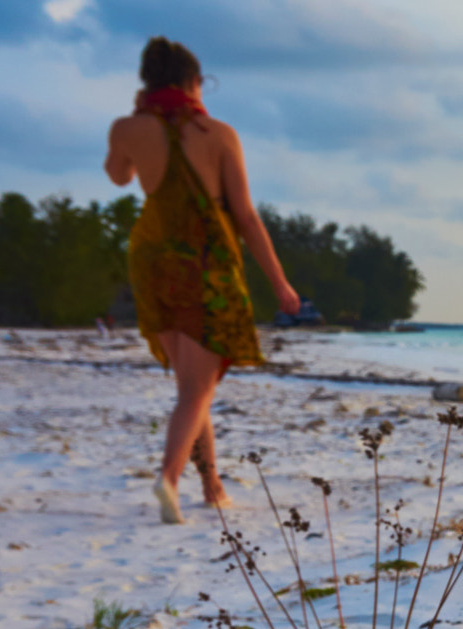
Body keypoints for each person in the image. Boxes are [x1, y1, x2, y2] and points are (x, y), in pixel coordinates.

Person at [105, 36, 301, 524]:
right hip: (205, 258)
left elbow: (118, 176)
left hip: (152, 256)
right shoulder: (218, 133)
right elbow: (247, 216)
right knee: (198, 387)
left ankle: (212, 486)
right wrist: (280, 283)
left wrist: (135, 134)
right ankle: (169, 478)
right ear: (193, 82)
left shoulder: (127, 127)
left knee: (193, 384)